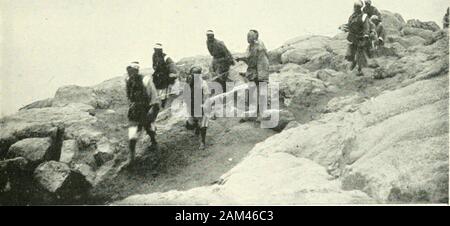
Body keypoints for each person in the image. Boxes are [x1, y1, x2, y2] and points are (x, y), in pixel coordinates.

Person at [125, 62, 161, 165]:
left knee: (149, 129)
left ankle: (154, 143)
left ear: (136, 70)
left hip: (146, 110)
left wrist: (153, 109)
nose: (130, 73)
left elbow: (154, 96)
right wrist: (131, 106)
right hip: (134, 112)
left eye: (132, 71)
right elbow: (129, 96)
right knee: (132, 136)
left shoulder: (146, 80)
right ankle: (131, 158)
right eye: (129, 71)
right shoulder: (128, 81)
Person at [236, 29, 270, 121]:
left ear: (254, 37)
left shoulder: (259, 47)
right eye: (247, 36)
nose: (247, 38)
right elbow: (249, 58)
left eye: (249, 36)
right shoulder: (250, 46)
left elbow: (259, 61)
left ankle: (262, 114)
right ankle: (254, 112)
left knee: (261, 93)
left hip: (260, 71)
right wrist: (241, 58)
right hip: (254, 72)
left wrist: (261, 76)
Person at [185, 66, 211, 150]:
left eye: (196, 74)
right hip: (192, 106)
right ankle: (196, 127)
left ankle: (202, 142)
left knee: (203, 125)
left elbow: (206, 96)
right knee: (190, 125)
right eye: (192, 74)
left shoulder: (203, 83)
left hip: (202, 105)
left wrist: (203, 105)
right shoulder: (189, 83)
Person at [345, 0, 371, 76]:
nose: (355, 8)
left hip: (360, 38)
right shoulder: (352, 16)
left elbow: (366, 27)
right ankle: (352, 70)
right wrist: (344, 27)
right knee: (351, 55)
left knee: (360, 54)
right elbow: (349, 25)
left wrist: (366, 35)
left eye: (357, 7)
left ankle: (360, 70)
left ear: (360, 8)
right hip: (352, 38)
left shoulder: (364, 16)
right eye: (355, 7)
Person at [152, 43, 178, 108]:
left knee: (164, 91)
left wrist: (172, 74)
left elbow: (171, 64)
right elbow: (154, 65)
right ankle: (160, 104)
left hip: (164, 76)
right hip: (157, 76)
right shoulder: (154, 56)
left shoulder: (165, 56)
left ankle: (164, 104)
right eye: (155, 49)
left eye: (158, 50)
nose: (156, 51)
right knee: (158, 91)